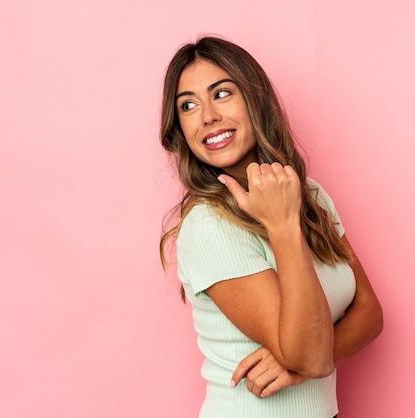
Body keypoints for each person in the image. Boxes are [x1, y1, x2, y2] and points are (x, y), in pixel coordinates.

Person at [159, 36, 383, 418]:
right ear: (180, 128)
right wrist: (282, 226)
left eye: (223, 93)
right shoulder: (210, 225)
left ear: (255, 100)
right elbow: (310, 356)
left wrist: (296, 363)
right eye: (188, 105)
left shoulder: (310, 194)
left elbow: (369, 313)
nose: (207, 116)